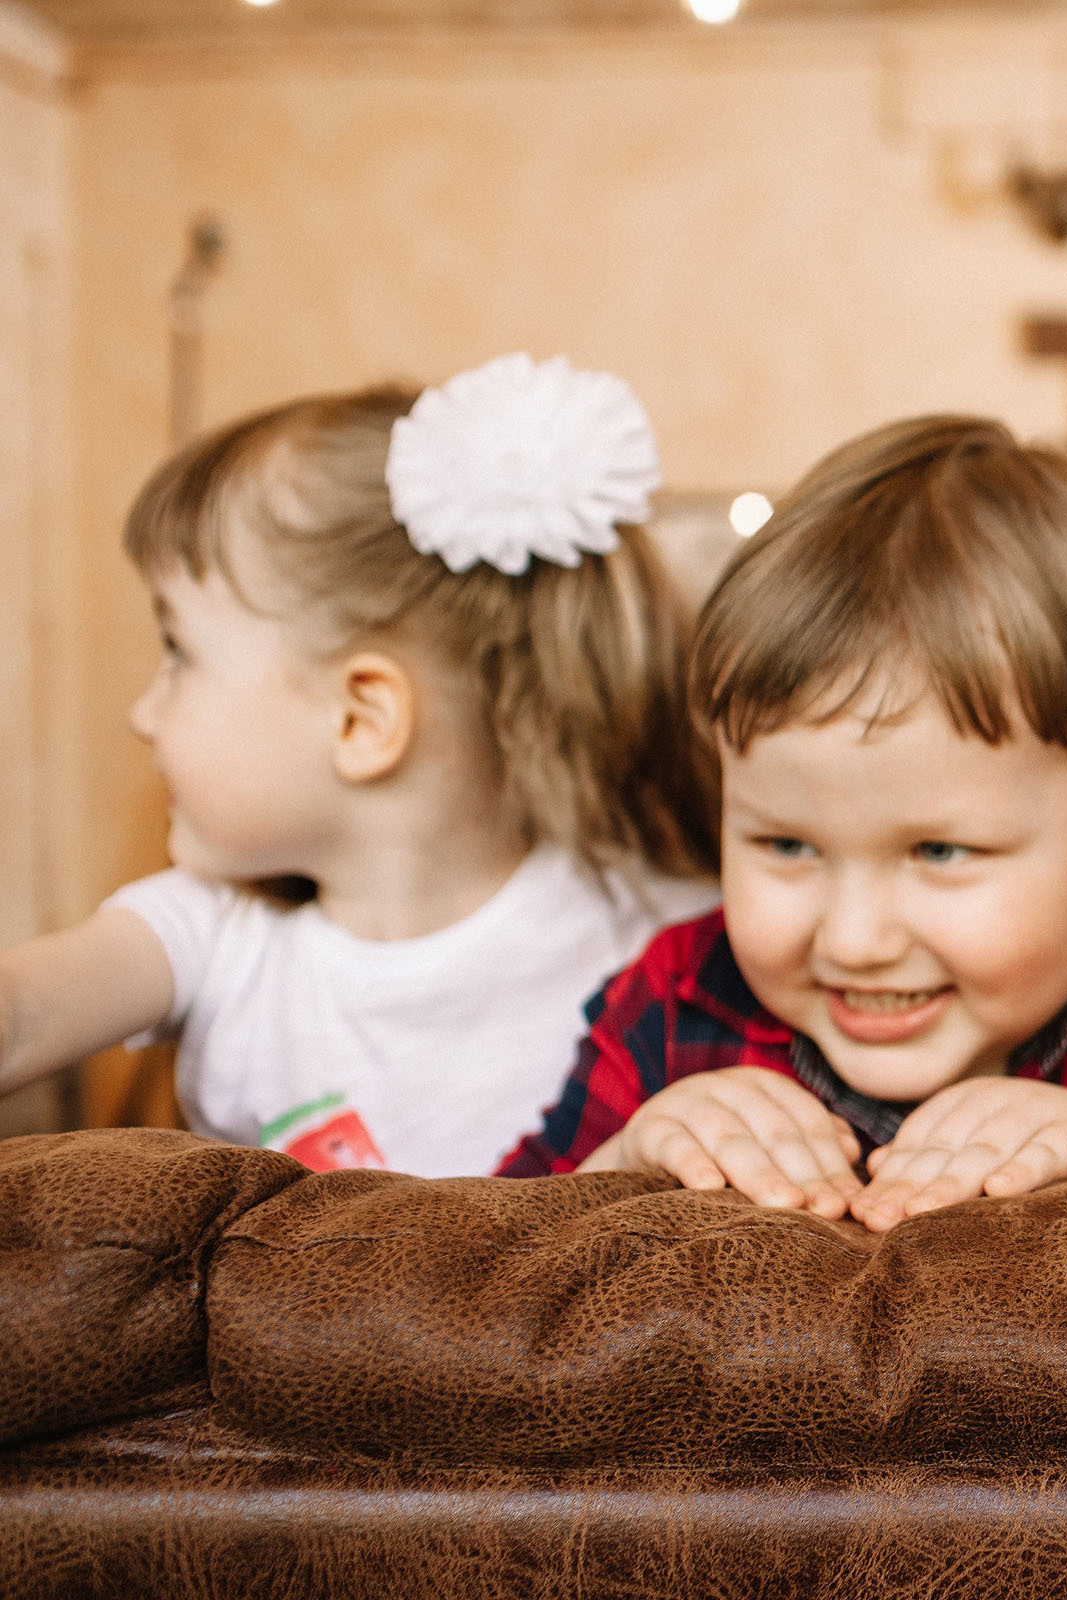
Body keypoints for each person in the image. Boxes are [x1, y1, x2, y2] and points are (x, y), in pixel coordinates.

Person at [500, 415, 1067, 1229]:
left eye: (938, 850)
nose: (854, 941)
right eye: (785, 844)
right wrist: (628, 1161)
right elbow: (480, 1273)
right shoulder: (676, 1003)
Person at [0, 354, 719, 1176]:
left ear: (362, 719)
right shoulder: (212, 933)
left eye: (178, 653)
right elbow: (20, 1018)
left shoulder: (661, 943)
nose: (141, 714)